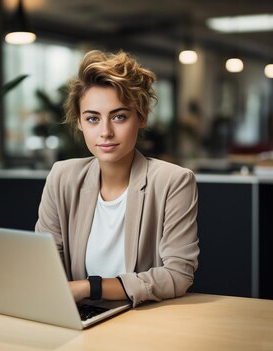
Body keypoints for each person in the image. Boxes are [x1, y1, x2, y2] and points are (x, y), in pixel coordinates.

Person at [35, 50, 199, 307]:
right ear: (79, 122)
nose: (105, 132)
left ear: (142, 117)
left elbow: (177, 275)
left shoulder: (173, 182)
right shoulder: (62, 177)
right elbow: (44, 262)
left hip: (141, 319)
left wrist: (90, 287)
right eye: (92, 118)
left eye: (119, 116)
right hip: (77, 316)